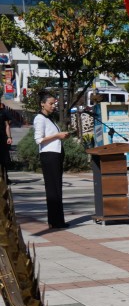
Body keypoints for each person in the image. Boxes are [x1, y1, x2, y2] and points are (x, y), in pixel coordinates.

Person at [33, 93, 69, 229]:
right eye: (51, 103)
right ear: (42, 104)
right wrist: (57, 135)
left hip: (56, 154)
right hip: (49, 156)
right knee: (52, 189)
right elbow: (38, 139)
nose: (53, 106)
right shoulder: (39, 118)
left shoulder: (49, 118)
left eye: (54, 104)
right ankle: (54, 221)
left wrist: (61, 135)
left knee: (57, 188)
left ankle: (58, 220)